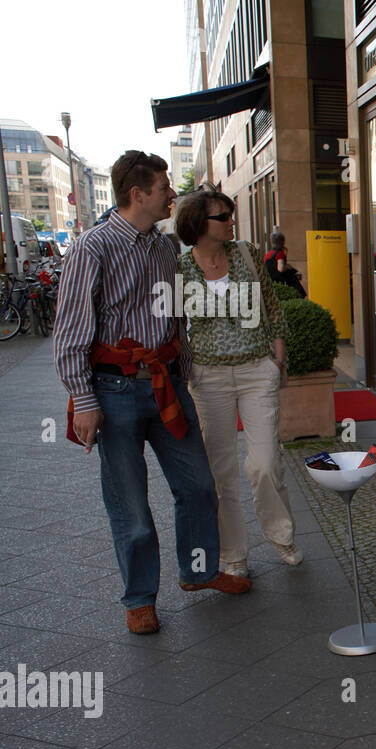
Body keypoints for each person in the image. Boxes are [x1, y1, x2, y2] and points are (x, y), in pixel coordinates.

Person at [53, 150, 251, 636]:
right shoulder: (91, 248)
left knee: (199, 486)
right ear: (137, 194)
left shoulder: (164, 249)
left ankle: (198, 571)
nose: (171, 195)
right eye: (164, 188)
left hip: (166, 386)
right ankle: (140, 599)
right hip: (113, 390)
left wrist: (184, 373)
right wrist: (83, 399)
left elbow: (176, 319)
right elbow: (70, 334)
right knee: (132, 507)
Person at [175, 187, 302, 578]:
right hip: (208, 378)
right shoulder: (181, 268)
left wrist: (278, 359)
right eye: (223, 217)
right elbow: (174, 326)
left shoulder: (245, 253)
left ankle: (280, 535)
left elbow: (272, 307)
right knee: (221, 471)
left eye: (231, 215)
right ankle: (234, 554)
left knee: (265, 463)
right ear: (199, 224)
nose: (231, 221)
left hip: (255, 371)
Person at [263, 231, 307, 297]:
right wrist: (288, 267)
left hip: (271, 281)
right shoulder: (279, 253)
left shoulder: (268, 254)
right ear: (282, 241)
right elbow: (280, 268)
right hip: (281, 281)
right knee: (298, 292)